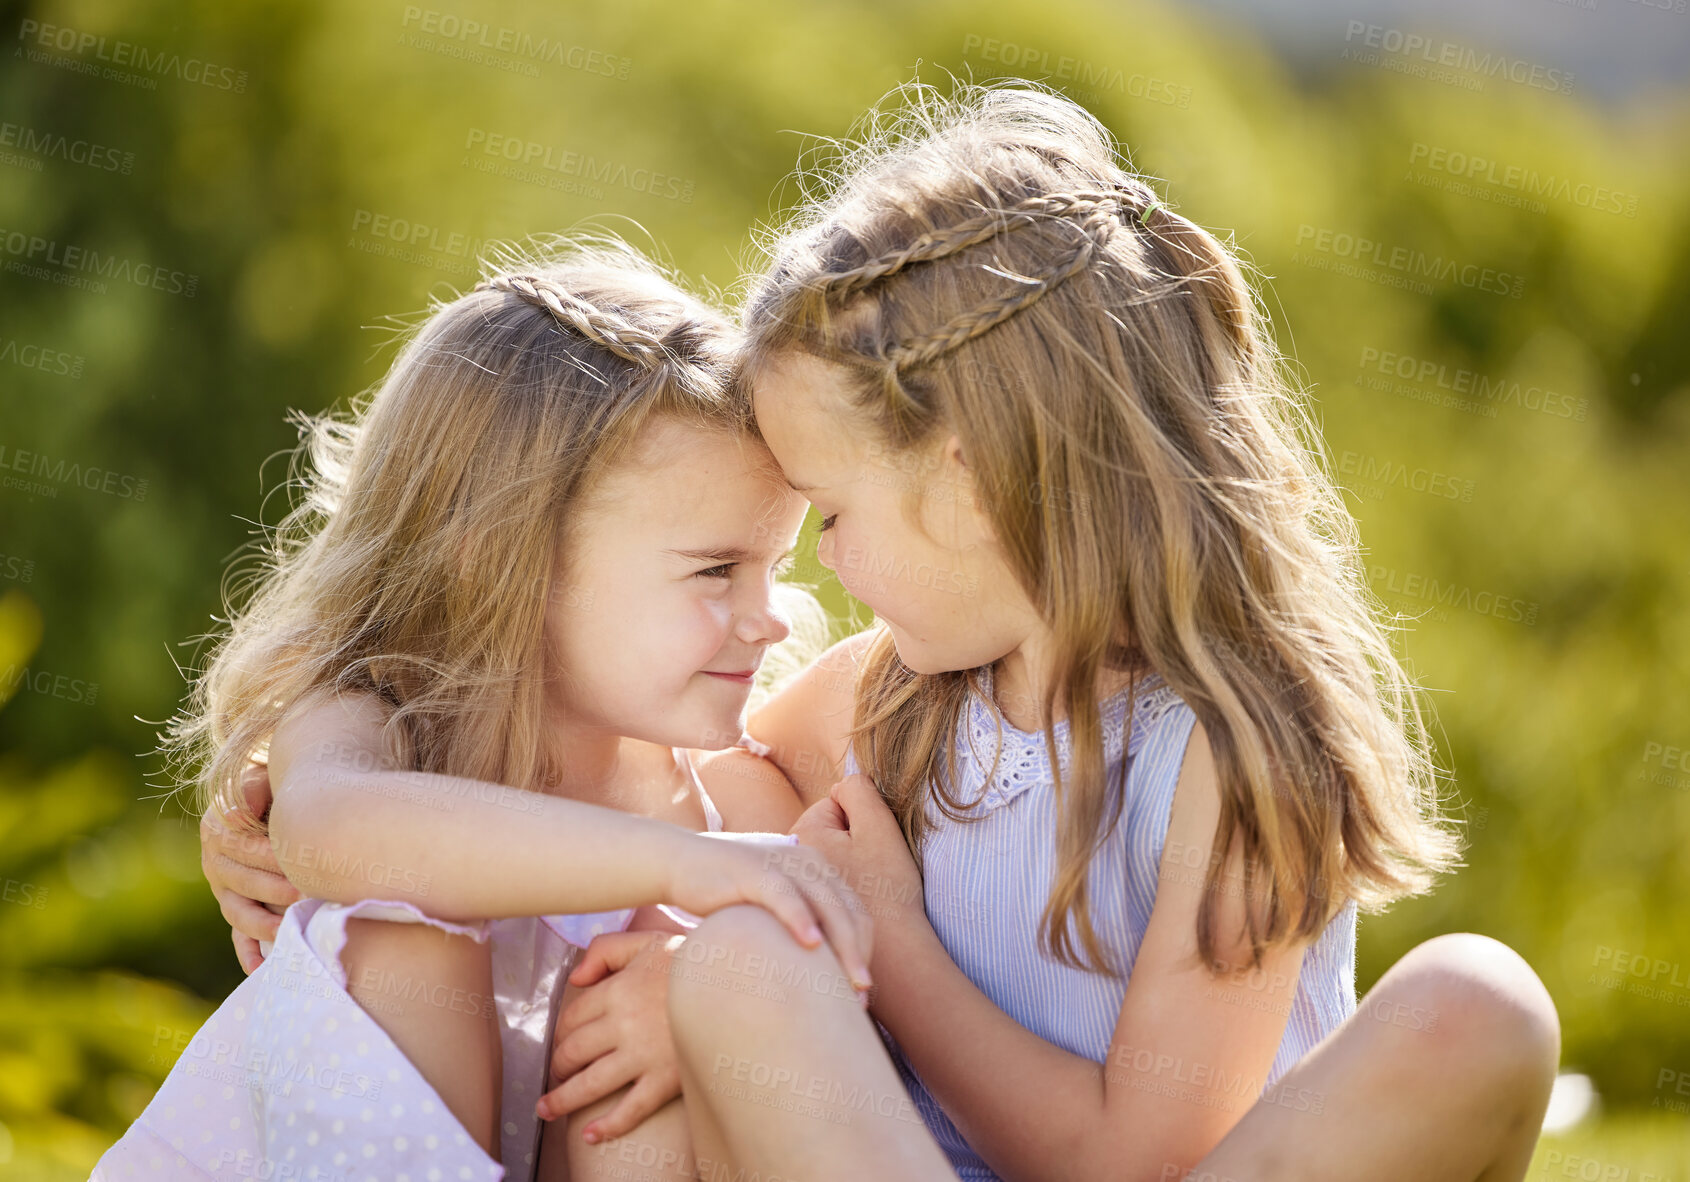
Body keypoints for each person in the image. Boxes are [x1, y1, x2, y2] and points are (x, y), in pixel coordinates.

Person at [205, 81, 1562, 1182]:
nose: (822, 578)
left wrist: (891, 946)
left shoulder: (1240, 750)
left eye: (834, 514)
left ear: (969, 482)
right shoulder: (887, 703)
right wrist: (276, 825)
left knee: (1480, 1007)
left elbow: (1132, 1156)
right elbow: (600, 777)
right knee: (727, 960)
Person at [94, 241, 872, 1182]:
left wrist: (701, 996)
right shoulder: (379, 722)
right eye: (716, 570)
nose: (774, 614)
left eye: (773, 565)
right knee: (401, 927)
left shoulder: (734, 800)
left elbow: (832, 996)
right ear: (504, 559)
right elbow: (336, 829)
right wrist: (683, 865)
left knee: (675, 996)